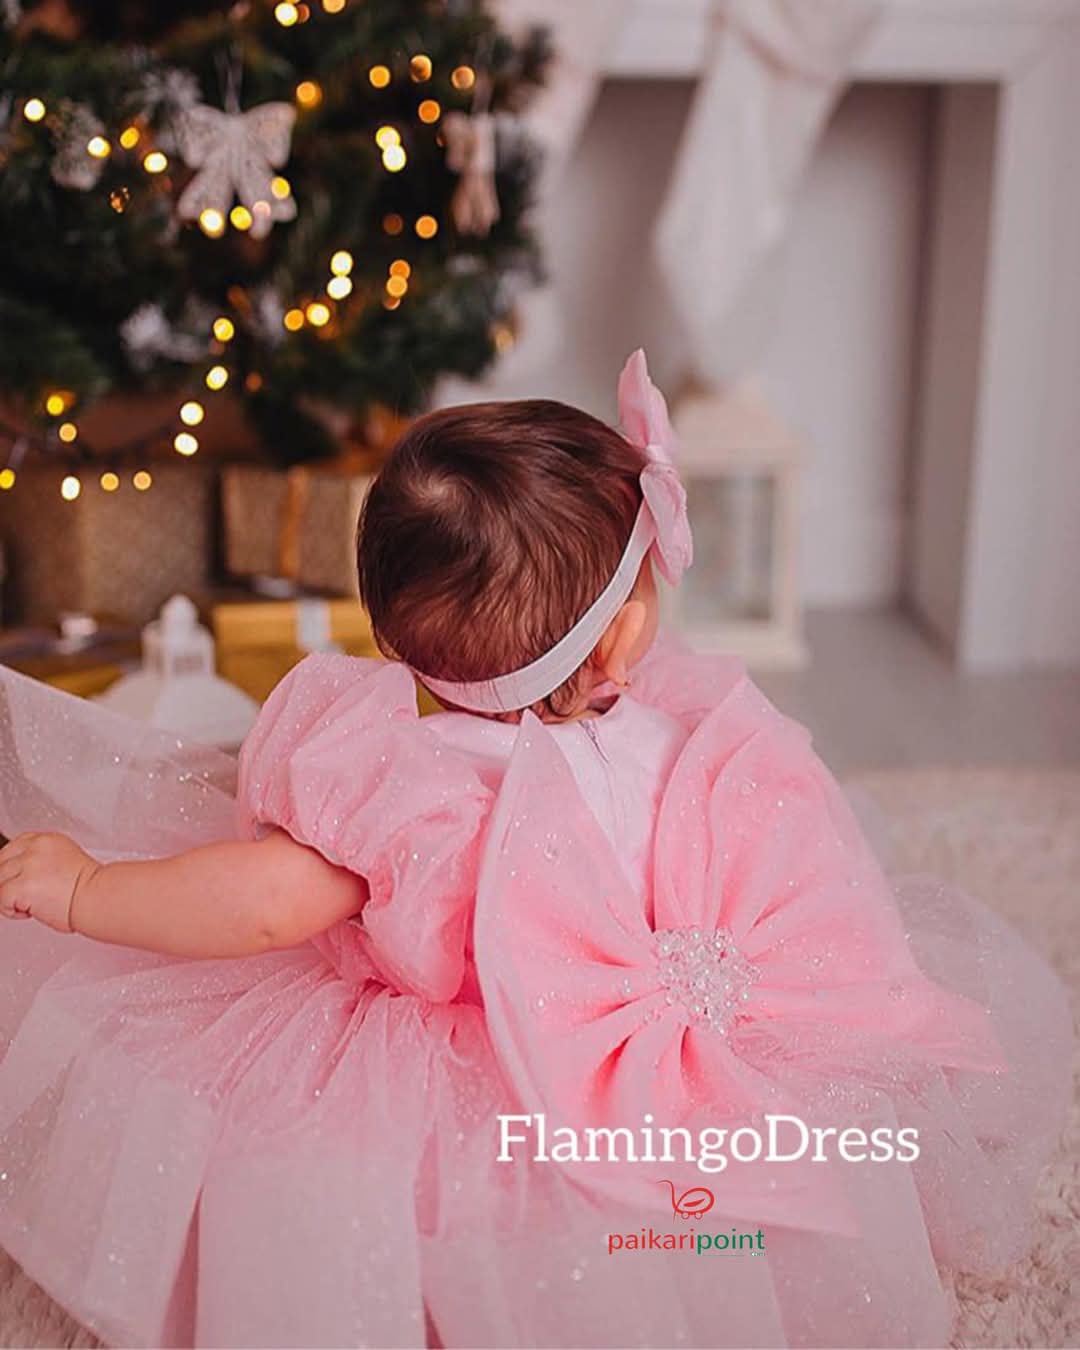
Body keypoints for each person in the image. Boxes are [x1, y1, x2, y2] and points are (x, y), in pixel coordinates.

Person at [0, 352, 1069, 1349]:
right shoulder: (678, 740)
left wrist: (89, 888)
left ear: (391, 632)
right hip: (645, 1021)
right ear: (619, 640)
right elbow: (787, 845)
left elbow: (265, 904)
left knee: (376, 1180)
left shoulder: (405, 792)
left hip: (530, 1041)